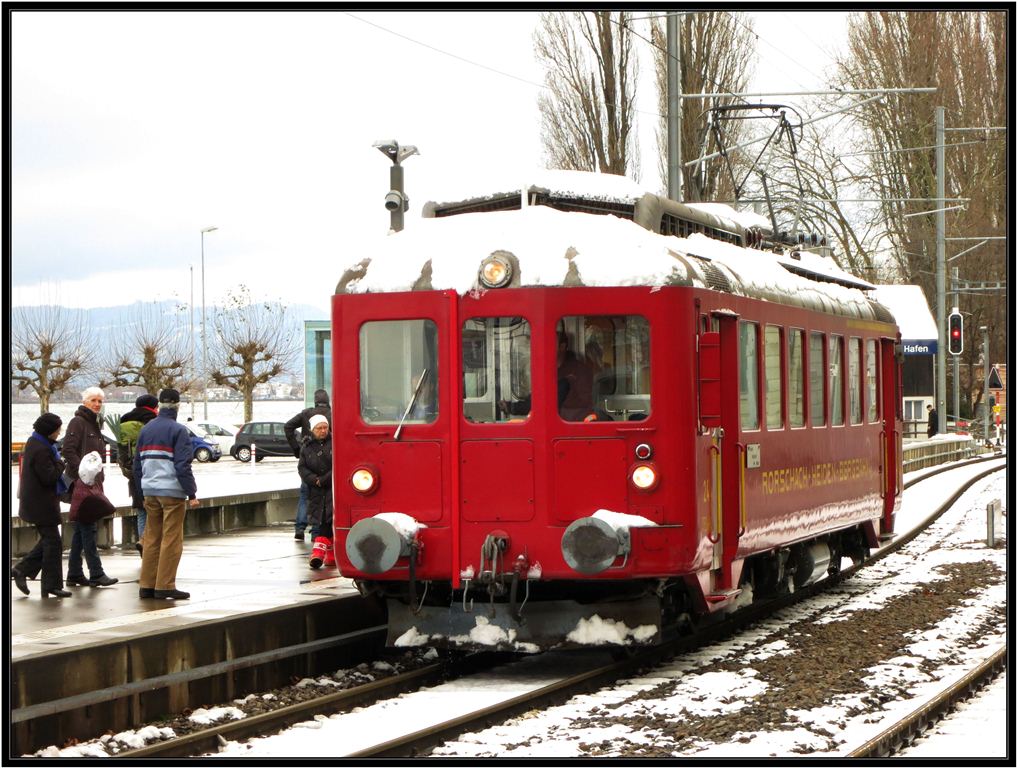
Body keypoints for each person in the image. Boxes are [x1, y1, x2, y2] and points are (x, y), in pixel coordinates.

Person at [134, 388, 199, 600]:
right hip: (172, 492)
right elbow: (182, 465)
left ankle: (147, 585)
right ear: (178, 406)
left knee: (151, 537)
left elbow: (137, 465)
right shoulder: (179, 431)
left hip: (149, 490)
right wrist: (192, 493)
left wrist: (141, 491)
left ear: (159, 406)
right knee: (171, 539)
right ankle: (165, 585)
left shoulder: (146, 429)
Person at [62, 386, 118, 588]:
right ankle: (96, 573)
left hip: (94, 483)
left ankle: (74, 573)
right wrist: (83, 472)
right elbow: (68, 450)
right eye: (93, 400)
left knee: (81, 528)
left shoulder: (94, 423)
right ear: (85, 402)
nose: (97, 404)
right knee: (88, 528)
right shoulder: (78, 422)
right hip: (83, 484)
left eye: (100, 401)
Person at [12, 413, 72, 598]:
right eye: (57, 430)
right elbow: (49, 477)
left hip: (36, 502)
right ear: (50, 431)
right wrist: (61, 464)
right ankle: (51, 585)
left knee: (50, 541)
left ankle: (22, 570)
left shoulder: (36, 443)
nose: (59, 432)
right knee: (53, 542)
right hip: (41, 503)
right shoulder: (42, 449)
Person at [284, 389, 331, 540]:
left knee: (305, 496)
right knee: (326, 500)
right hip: (328, 466)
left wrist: (297, 449)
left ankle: (300, 527)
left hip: (308, 459)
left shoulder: (306, 414)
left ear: (315, 400)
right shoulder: (332, 414)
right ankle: (317, 531)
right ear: (328, 400)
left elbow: (288, 426)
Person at [117, 393, 159, 556]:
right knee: (155, 512)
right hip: (150, 472)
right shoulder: (151, 421)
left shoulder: (123, 422)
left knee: (141, 511)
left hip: (132, 473)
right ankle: (149, 546)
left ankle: (142, 541)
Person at [299, 414, 334, 569]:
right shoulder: (306, 447)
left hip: (332, 487)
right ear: (313, 430)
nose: (323, 431)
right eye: (319, 428)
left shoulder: (335, 442)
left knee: (328, 520)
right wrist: (314, 480)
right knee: (320, 520)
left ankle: (318, 553)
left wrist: (324, 479)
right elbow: (302, 467)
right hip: (316, 490)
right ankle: (331, 556)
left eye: (325, 427)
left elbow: (339, 463)